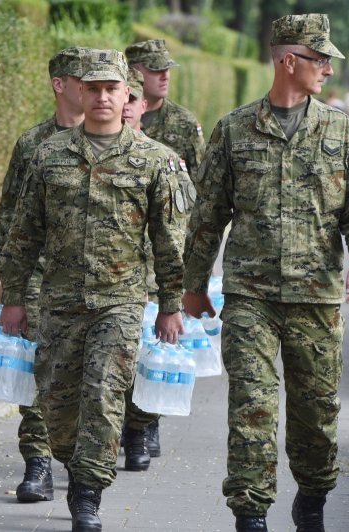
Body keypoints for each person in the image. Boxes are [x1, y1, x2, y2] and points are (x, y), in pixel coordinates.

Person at [181, 14, 349, 532]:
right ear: (289, 61)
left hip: (316, 297)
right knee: (252, 407)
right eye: (320, 60)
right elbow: (207, 217)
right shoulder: (233, 129)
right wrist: (192, 285)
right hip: (250, 296)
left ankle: (312, 500)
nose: (328, 71)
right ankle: (250, 514)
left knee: (316, 417)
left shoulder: (339, 130)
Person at [0, 49, 188, 531]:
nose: (103, 97)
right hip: (58, 302)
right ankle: (71, 462)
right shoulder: (48, 156)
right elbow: (23, 236)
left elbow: (170, 243)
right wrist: (14, 299)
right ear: (79, 92)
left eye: (112, 89)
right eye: (94, 88)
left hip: (120, 302)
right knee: (57, 407)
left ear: (129, 95)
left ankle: (88, 494)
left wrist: (170, 305)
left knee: (104, 393)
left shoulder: (154, 161)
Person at [0, 46, 89, 504]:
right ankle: (37, 464)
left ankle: (80, 455)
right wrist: (11, 283)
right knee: (36, 369)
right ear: (60, 85)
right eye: (83, 79)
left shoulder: (110, 141)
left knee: (81, 376)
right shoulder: (32, 145)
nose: (93, 89)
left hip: (93, 280)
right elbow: (10, 216)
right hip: (38, 276)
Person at [121, 38, 205, 462]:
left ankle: (144, 423)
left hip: (162, 260)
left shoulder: (182, 125)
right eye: (155, 69)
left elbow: (200, 193)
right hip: (118, 262)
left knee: (154, 346)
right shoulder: (105, 119)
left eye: (166, 68)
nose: (164, 76)